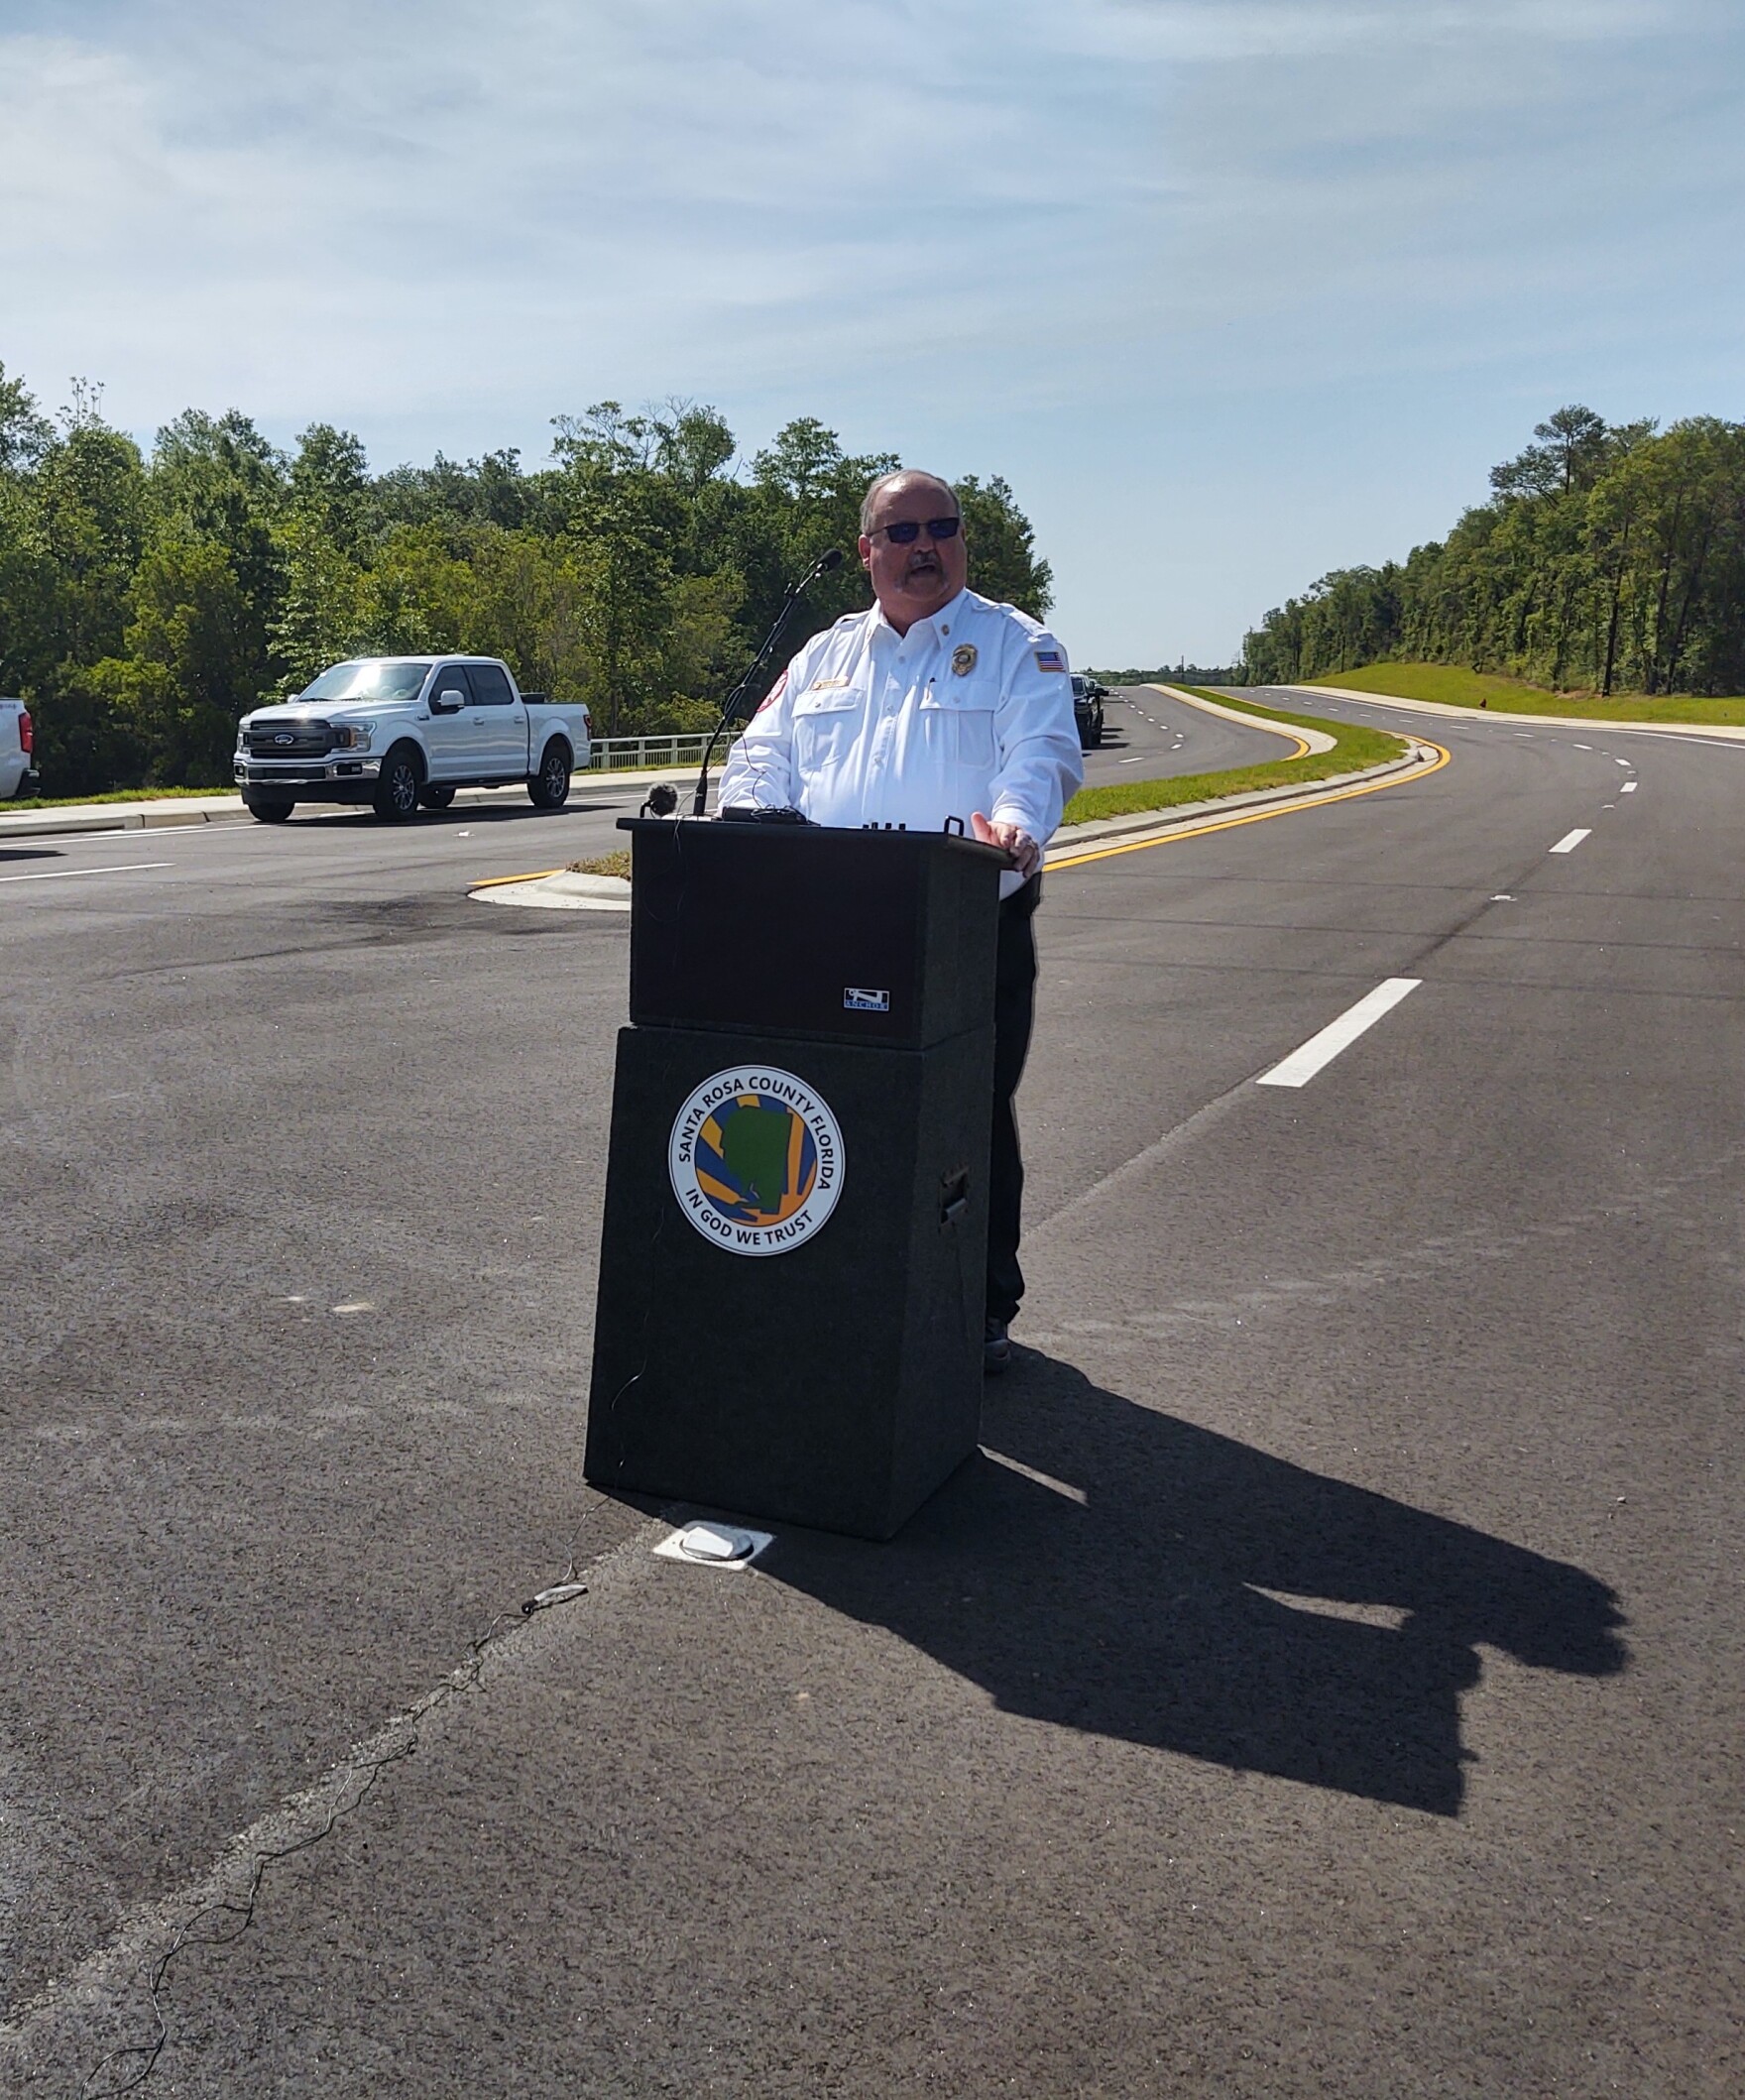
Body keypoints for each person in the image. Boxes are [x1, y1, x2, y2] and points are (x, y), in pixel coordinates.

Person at [718, 469, 1084, 1372]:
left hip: (965, 921)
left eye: (941, 528)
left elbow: (1041, 754)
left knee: (967, 1110)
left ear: (962, 541)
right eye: (903, 532)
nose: (925, 546)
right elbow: (760, 754)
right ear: (867, 551)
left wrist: (1018, 825)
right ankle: (841, 1281)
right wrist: (755, 820)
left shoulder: (1015, 645)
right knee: (831, 1101)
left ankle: (978, 1306)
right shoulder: (825, 654)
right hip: (833, 921)